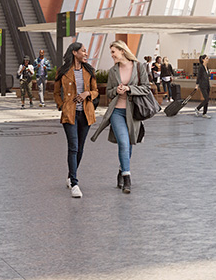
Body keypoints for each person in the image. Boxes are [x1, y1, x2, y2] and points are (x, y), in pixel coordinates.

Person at [89, 40, 146, 194]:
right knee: (123, 142)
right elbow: (108, 93)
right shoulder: (113, 71)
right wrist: (116, 90)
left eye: (114, 52)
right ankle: (127, 178)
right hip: (117, 112)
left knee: (130, 143)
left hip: (133, 112)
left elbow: (146, 88)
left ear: (122, 51)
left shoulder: (139, 67)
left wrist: (129, 88)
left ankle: (122, 169)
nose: (112, 55)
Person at [52, 41, 97, 198]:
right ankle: (75, 184)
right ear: (74, 53)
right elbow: (56, 93)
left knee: (80, 148)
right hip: (69, 114)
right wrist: (61, 106)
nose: (85, 53)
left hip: (86, 114)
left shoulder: (89, 71)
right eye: (83, 51)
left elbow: (96, 91)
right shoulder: (63, 71)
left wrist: (87, 94)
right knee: (73, 146)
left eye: (85, 51)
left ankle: (71, 176)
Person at [197, 53, 214, 118]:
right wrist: (197, 84)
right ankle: (198, 108)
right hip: (202, 85)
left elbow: (207, 75)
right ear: (203, 59)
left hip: (207, 84)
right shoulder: (201, 67)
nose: (208, 59)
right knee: (206, 99)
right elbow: (199, 76)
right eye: (206, 58)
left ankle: (204, 113)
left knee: (207, 100)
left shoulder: (207, 67)